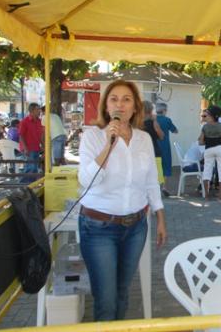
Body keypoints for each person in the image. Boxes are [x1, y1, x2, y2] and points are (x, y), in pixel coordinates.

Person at [78, 80, 167, 321]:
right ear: (106, 106)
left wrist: (160, 217)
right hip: (98, 228)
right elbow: (87, 180)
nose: (120, 104)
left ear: (135, 107)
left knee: (122, 292)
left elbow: (151, 180)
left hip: (136, 227)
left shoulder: (143, 138)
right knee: (105, 300)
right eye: (114, 99)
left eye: (126, 99)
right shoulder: (92, 137)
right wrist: (108, 144)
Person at [199, 105, 221, 200]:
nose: (207, 116)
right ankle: (220, 195)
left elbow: (201, 142)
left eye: (208, 115)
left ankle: (206, 195)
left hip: (208, 149)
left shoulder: (205, 127)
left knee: (207, 171)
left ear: (212, 116)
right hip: (220, 149)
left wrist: (208, 141)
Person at [155, 102, 178, 195]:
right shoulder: (167, 120)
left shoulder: (152, 120)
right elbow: (175, 130)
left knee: (155, 166)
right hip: (164, 146)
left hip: (154, 146)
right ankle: (164, 187)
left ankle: (155, 187)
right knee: (166, 165)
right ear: (164, 111)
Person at [19, 103, 44, 183]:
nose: (39, 111)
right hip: (28, 148)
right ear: (31, 111)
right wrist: (25, 148)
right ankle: (25, 186)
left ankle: (29, 186)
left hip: (36, 148)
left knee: (34, 168)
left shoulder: (39, 121)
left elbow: (40, 135)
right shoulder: (24, 121)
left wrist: (43, 146)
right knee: (30, 168)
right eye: (37, 109)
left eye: (39, 109)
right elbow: (21, 135)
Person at [142, 101, 166, 186]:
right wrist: (155, 121)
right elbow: (162, 136)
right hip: (154, 153)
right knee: (155, 181)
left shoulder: (137, 124)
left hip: (142, 154)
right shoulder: (153, 123)